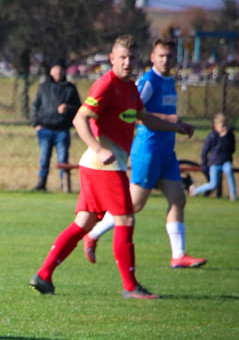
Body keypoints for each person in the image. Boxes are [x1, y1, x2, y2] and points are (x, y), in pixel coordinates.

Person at [29, 35, 194, 300]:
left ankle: (44, 275)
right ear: (112, 58)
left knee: (84, 222)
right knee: (126, 219)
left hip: (101, 164)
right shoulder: (105, 84)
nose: (128, 62)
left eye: (132, 58)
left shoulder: (130, 87)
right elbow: (79, 118)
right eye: (123, 57)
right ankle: (131, 287)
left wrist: (176, 126)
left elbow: (144, 117)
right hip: (102, 164)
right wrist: (98, 148)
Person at [83, 38, 205, 269]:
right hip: (147, 151)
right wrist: (170, 121)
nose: (165, 60)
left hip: (167, 152)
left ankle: (178, 255)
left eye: (169, 56)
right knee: (134, 205)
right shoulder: (147, 82)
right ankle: (93, 234)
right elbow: (138, 113)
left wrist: (177, 126)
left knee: (178, 199)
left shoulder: (169, 83)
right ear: (152, 57)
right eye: (161, 56)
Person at [30, 59, 81, 191]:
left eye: (60, 70)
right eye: (55, 69)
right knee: (44, 158)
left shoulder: (70, 88)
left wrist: (68, 108)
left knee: (63, 158)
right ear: (51, 72)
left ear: (64, 72)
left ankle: (64, 184)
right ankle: (41, 184)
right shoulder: (44, 87)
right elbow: (35, 106)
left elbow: (79, 108)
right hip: (45, 129)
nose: (58, 72)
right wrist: (36, 124)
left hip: (62, 130)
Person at [191, 113, 236, 201]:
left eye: (226, 125)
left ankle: (233, 194)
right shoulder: (211, 136)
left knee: (229, 170)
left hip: (225, 161)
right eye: (222, 126)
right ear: (216, 126)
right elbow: (204, 151)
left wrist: (225, 137)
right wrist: (204, 164)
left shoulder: (229, 136)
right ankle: (195, 191)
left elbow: (231, 149)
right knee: (213, 184)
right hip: (214, 163)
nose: (224, 128)